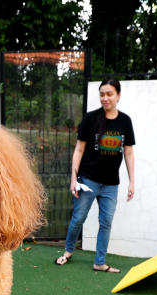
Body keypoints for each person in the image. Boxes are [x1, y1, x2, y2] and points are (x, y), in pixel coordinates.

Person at [55, 78, 135, 273]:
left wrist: (132, 181)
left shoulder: (125, 121)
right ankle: (68, 251)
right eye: (102, 94)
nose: (105, 98)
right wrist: (74, 179)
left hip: (111, 184)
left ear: (118, 96)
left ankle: (99, 262)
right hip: (88, 180)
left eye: (109, 94)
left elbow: (129, 153)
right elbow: (79, 150)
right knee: (78, 218)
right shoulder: (91, 119)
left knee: (105, 223)